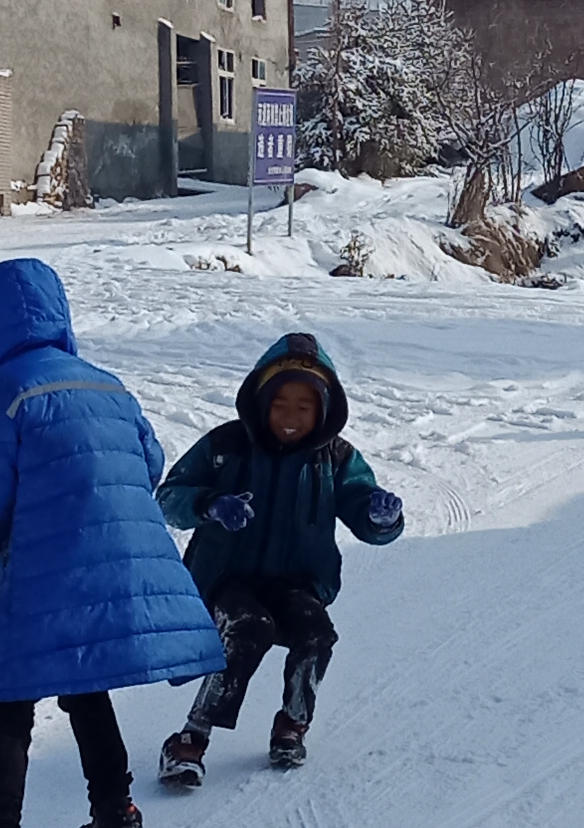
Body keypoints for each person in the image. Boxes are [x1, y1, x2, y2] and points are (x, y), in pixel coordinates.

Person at [0, 257, 221, 828]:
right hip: (112, 555)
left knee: (4, 698)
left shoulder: (0, 392)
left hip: (44, 559)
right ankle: (116, 812)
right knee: (84, 680)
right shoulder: (107, 385)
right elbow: (149, 462)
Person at [153, 330, 405, 780]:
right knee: (248, 629)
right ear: (261, 402)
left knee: (317, 635)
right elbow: (170, 496)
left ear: (324, 411)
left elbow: (360, 503)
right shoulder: (226, 446)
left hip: (297, 581)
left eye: (304, 407)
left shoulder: (335, 458)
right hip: (228, 579)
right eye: (280, 404)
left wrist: (379, 517)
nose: (291, 417)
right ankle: (191, 737)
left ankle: (292, 723)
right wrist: (210, 503)